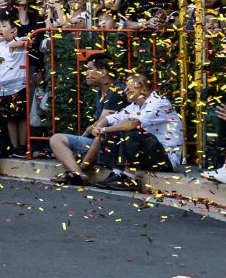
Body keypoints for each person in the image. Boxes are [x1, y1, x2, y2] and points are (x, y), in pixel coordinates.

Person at [89, 74, 184, 191]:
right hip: (149, 156)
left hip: (166, 159)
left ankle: (130, 178)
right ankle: (117, 174)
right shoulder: (134, 106)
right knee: (114, 131)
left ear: (143, 88)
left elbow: (133, 124)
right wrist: (97, 128)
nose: (125, 90)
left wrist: (104, 129)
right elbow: (110, 118)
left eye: (129, 87)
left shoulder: (160, 103)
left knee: (132, 130)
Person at [49, 53, 127, 185]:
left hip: (109, 143)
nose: (86, 74)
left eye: (89, 69)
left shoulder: (116, 91)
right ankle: (77, 173)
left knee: (56, 139)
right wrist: (87, 132)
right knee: (58, 140)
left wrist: (88, 130)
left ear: (102, 72)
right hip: (100, 140)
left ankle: (77, 173)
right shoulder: (101, 90)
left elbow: (103, 121)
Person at [0, 19, 29, 154]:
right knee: (10, 118)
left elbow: (27, 42)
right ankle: (14, 146)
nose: (0, 29)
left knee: (21, 117)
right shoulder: (0, 46)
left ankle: (23, 146)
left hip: (19, 86)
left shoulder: (20, 39)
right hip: (3, 88)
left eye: (4, 26)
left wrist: (12, 45)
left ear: (14, 30)